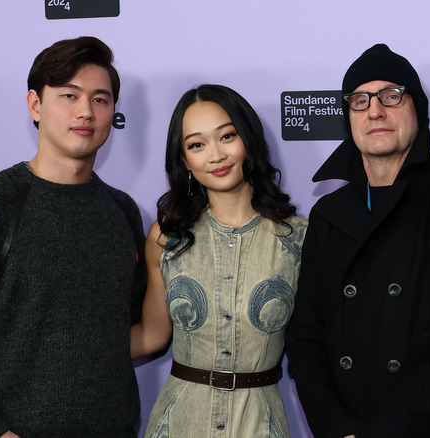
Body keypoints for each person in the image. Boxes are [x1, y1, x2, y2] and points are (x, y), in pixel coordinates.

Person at [285, 44, 430, 438]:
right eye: (360, 100)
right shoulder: (328, 214)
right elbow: (305, 337)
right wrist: (336, 428)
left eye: (391, 95)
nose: (375, 110)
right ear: (348, 117)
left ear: (418, 109)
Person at [0, 37, 146, 437]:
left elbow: (125, 329)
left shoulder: (123, 212)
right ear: (35, 104)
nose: (86, 111)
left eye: (100, 99)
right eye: (70, 95)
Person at [129, 84, 307, 437]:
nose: (216, 155)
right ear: (184, 161)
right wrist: (68, 349)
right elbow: (152, 335)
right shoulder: (165, 238)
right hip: (178, 422)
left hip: (259, 422)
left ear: (248, 139)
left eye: (227, 136)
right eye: (197, 144)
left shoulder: (300, 238)